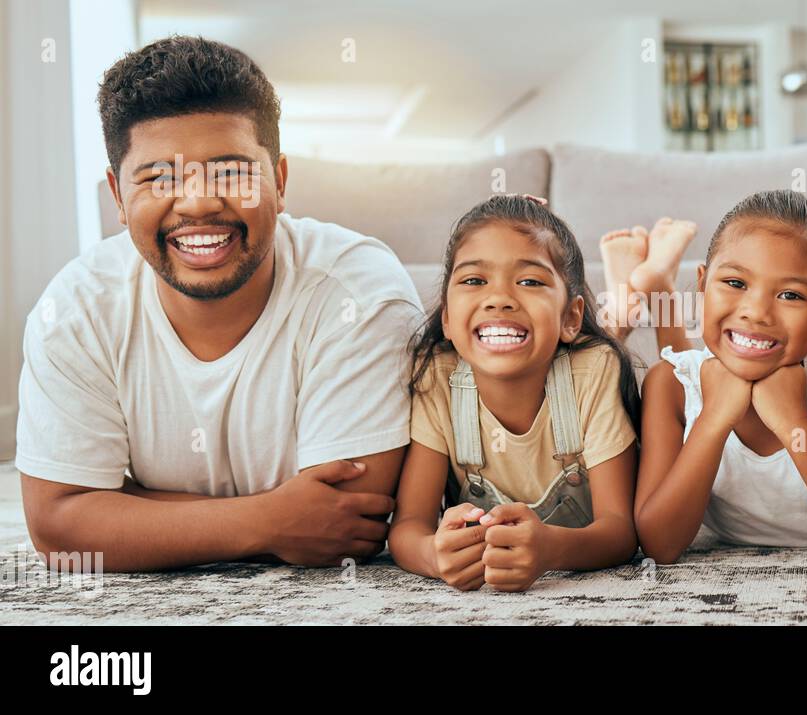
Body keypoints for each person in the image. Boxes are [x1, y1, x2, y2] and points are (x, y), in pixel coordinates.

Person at [17, 36, 423, 571]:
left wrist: (122, 509)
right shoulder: (75, 310)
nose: (200, 202)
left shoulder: (359, 290)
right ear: (117, 196)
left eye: (230, 171)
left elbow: (345, 524)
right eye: (160, 177)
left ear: (279, 181)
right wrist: (271, 520)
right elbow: (59, 529)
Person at [635, 190, 807, 565]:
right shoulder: (668, 385)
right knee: (685, 360)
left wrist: (793, 421)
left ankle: (658, 285)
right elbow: (658, 545)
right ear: (702, 285)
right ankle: (658, 286)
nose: (756, 312)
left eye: (790, 295)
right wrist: (714, 419)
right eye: (735, 283)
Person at [389, 195, 640, 592]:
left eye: (529, 281)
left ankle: (631, 295)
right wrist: (433, 554)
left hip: (577, 358)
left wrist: (552, 550)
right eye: (474, 281)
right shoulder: (439, 377)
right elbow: (407, 529)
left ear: (571, 317)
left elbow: (621, 532)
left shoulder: (594, 372)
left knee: (608, 345)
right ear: (448, 319)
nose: (500, 298)